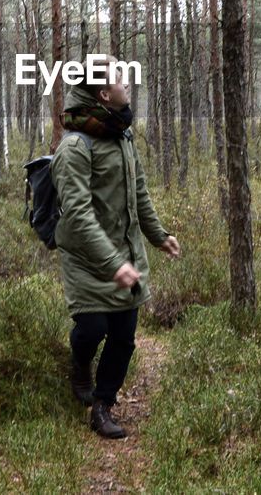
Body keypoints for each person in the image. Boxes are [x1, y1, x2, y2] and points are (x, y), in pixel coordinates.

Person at [50, 55, 180, 439]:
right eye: (120, 80)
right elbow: (77, 215)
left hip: (125, 254)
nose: (127, 84)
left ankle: (102, 405)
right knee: (91, 328)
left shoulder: (121, 135)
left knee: (123, 338)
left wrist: (159, 236)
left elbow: (138, 192)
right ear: (105, 94)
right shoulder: (75, 147)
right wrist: (111, 263)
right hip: (86, 258)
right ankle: (79, 365)